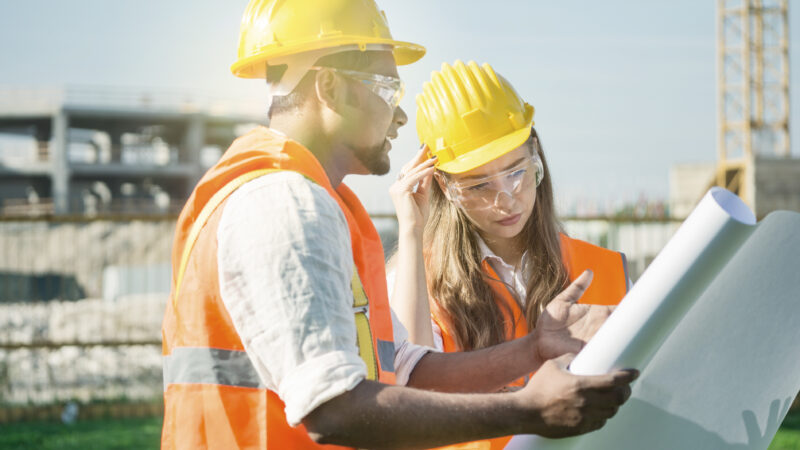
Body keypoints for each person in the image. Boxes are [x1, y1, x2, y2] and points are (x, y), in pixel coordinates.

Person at [161, 2, 637, 449]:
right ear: (329, 88)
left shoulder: (316, 200)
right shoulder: (285, 202)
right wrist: (527, 410)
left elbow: (403, 370)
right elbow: (333, 409)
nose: (401, 115)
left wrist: (532, 350)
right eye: (388, 89)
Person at [389, 60, 632, 449]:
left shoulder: (606, 269)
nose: (505, 200)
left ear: (535, 154)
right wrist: (411, 230)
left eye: (517, 172)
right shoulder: (416, 281)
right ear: (444, 187)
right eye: (479, 186)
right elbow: (412, 392)